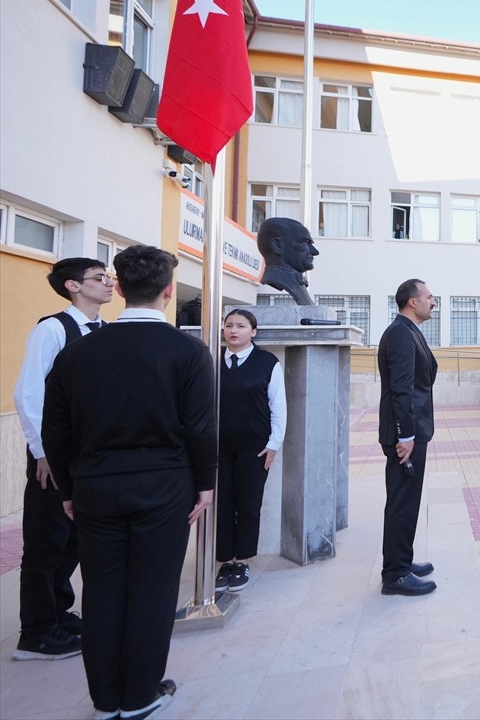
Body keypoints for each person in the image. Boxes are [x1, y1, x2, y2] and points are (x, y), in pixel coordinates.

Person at [42, 245, 217, 720]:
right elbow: (200, 426)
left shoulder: (78, 352)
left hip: (96, 487)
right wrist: (205, 483)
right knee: (152, 591)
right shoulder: (187, 350)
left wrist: (69, 491)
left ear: (118, 288)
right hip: (163, 487)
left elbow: (55, 428)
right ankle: (139, 695)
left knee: (101, 591)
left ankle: (106, 700)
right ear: (167, 291)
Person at [13, 258, 114, 661]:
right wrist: (42, 453)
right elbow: (28, 393)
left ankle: (59, 612)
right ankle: (36, 633)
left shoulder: (106, 332)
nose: (108, 283)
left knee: (73, 538)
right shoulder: (52, 328)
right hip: (54, 455)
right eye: (99, 278)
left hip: (89, 454)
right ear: (73, 285)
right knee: (45, 542)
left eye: (109, 277)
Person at [215, 309, 286, 594]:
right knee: (221, 506)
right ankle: (224, 562)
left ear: (253, 332)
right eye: (229, 325)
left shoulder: (267, 362)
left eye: (241, 326)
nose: (233, 331)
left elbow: (278, 406)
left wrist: (273, 444)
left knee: (248, 505)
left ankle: (242, 560)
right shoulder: (211, 359)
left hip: (254, 448)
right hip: (218, 447)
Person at [377, 279, 439, 597]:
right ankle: (396, 574)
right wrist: (407, 435)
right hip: (406, 435)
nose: (433, 301)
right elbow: (402, 389)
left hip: (412, 432)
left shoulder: (408, 331)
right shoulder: (402, 333)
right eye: (429, 297)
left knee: (406, 500)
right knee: (402, 501)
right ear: (412, 302)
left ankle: (402, 560)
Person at [256, 217, 319, 306]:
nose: (315, 252)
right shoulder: (287, 283)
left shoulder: (298, 285)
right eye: (304, 243)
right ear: (277, 246)